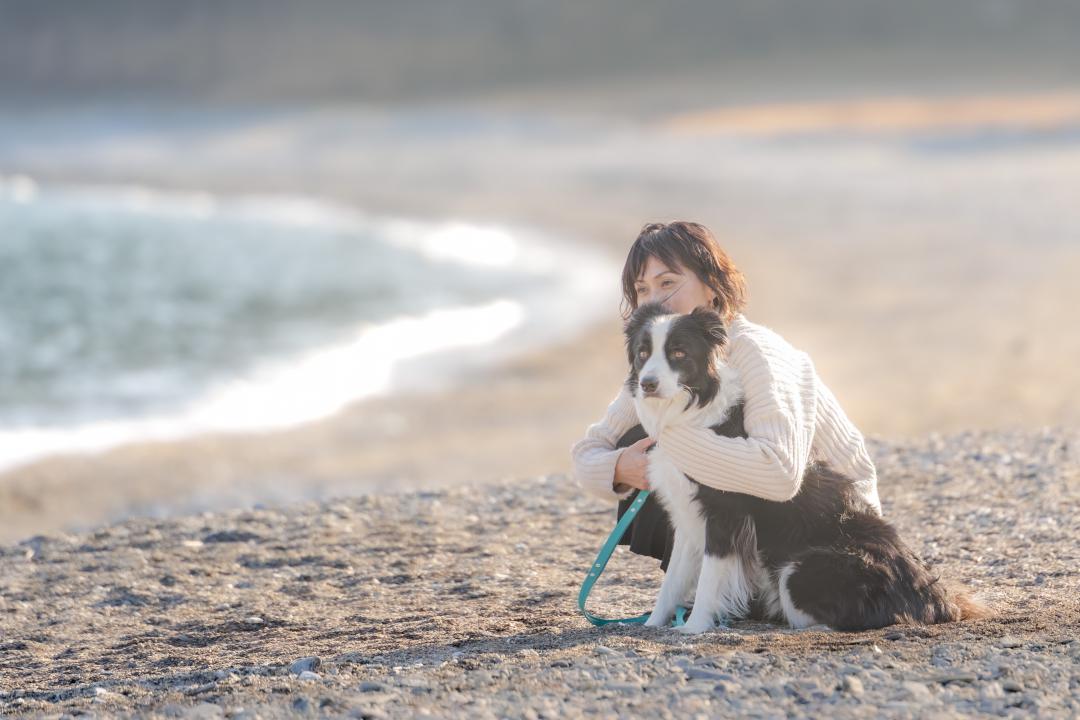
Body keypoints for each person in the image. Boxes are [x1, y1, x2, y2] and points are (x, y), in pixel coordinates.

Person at [569, 221, 879, 572]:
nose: (653, 300)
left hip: (827, 545)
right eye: (642, 289)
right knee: (638, 436)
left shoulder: (757, 352)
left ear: (711, 288)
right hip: (762, 532)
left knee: (665, 435)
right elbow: (588, 453)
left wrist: (668, 445)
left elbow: (779, 475)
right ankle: (714, 582)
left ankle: (737, 585)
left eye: (667, 283)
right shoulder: (661, 365)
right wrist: (621, 467)